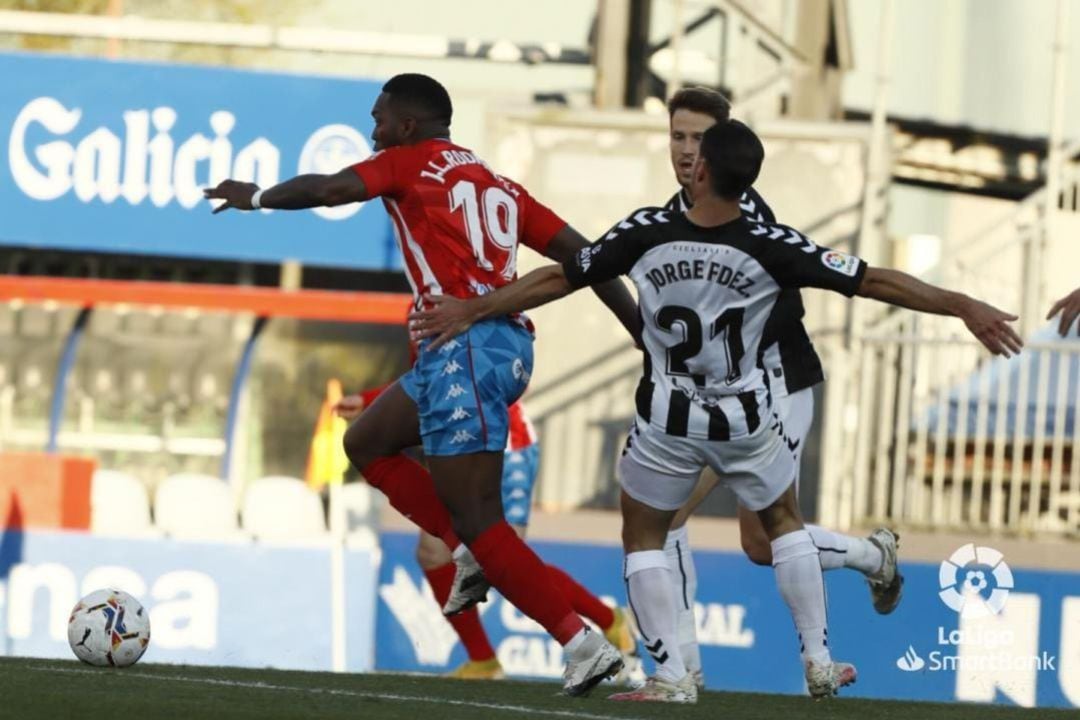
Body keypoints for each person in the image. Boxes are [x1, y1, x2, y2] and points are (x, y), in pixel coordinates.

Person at [407, 119, 1023, 702]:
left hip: (666, 421)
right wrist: (962, 304)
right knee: (783, 523)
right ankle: (818, 661)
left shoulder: (646, 230)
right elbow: (873, 280)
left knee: (644, 533)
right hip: (746, 419)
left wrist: (472, 309)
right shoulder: (771, 243)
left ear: (700, 172)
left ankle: (671, 673)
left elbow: (559, 278)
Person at [204, 73, 641, 696]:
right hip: (479, 352)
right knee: (366, 443)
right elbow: (590, 256)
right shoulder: (498, 184)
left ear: (408, 125)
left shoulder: (408, 162)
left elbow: (330, 188)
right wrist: (638, 330)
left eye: (379, 118)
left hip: (468, 348)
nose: (372, 129)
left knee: (484, 523)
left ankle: (581, 641)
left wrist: (255, 200)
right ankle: (467, 552)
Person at [659, 87, 903, 688]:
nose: (688, 151)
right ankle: (685, 669)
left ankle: (870, 567)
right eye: (678, 137)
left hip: (775, 385)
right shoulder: (673, 213)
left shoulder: (747, 217)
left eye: (700, 139)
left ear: (724, 145)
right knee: (694, 525)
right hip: (720, 397)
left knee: (760, 537)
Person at [335, 384, 637, 681]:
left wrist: (372, 403)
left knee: (498, 562)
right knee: (435, 553)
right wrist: (374, 404)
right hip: (460, 441)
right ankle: (483, 660)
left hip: (506, 447)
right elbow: (424, 372)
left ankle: (607, 620)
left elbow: (483, 366)